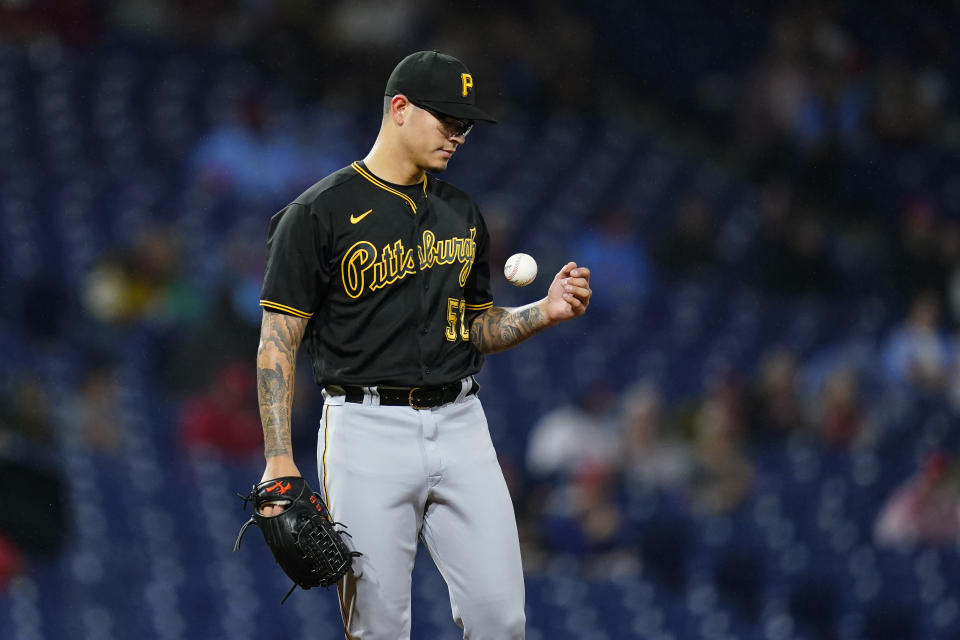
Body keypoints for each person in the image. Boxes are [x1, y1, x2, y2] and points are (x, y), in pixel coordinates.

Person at [253, 51, 592, 639]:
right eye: (448, 120)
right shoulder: (316, 214)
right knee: (379, 629)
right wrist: (279, 456)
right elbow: (277, 344)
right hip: (365, 429)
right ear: (400, 109)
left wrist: (544, 311)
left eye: (465, 125)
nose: (459, 135)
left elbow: (476, 327)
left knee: (503, 620)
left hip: (461, 420)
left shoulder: (460, 211)